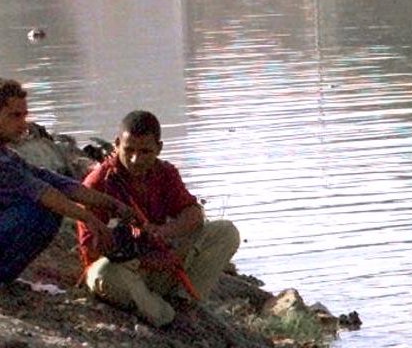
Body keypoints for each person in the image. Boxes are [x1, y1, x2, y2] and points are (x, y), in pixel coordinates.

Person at [77, 109, 240, 327]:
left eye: (145, 151)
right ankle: (166, 316)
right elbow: (92, 249)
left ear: (159, 149)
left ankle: (182, 302)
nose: (136, 159)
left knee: (225, 232)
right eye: (129, 150)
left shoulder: (165, 173)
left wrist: (164, 233)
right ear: (117, 144)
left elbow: (193, 214)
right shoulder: (97, 184)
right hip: (123, 271)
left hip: (160, 263)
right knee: (102, 275)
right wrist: (143, 258)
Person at [0, 78, 118, 284]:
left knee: (46, 209)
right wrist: (89, 219)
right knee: (38, 210)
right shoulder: (3, 164)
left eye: (24, 116)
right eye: (15, 116)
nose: (23, 124)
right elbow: (45, 193)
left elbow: (55, 182)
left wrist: (114, 205)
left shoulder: (8, 155)